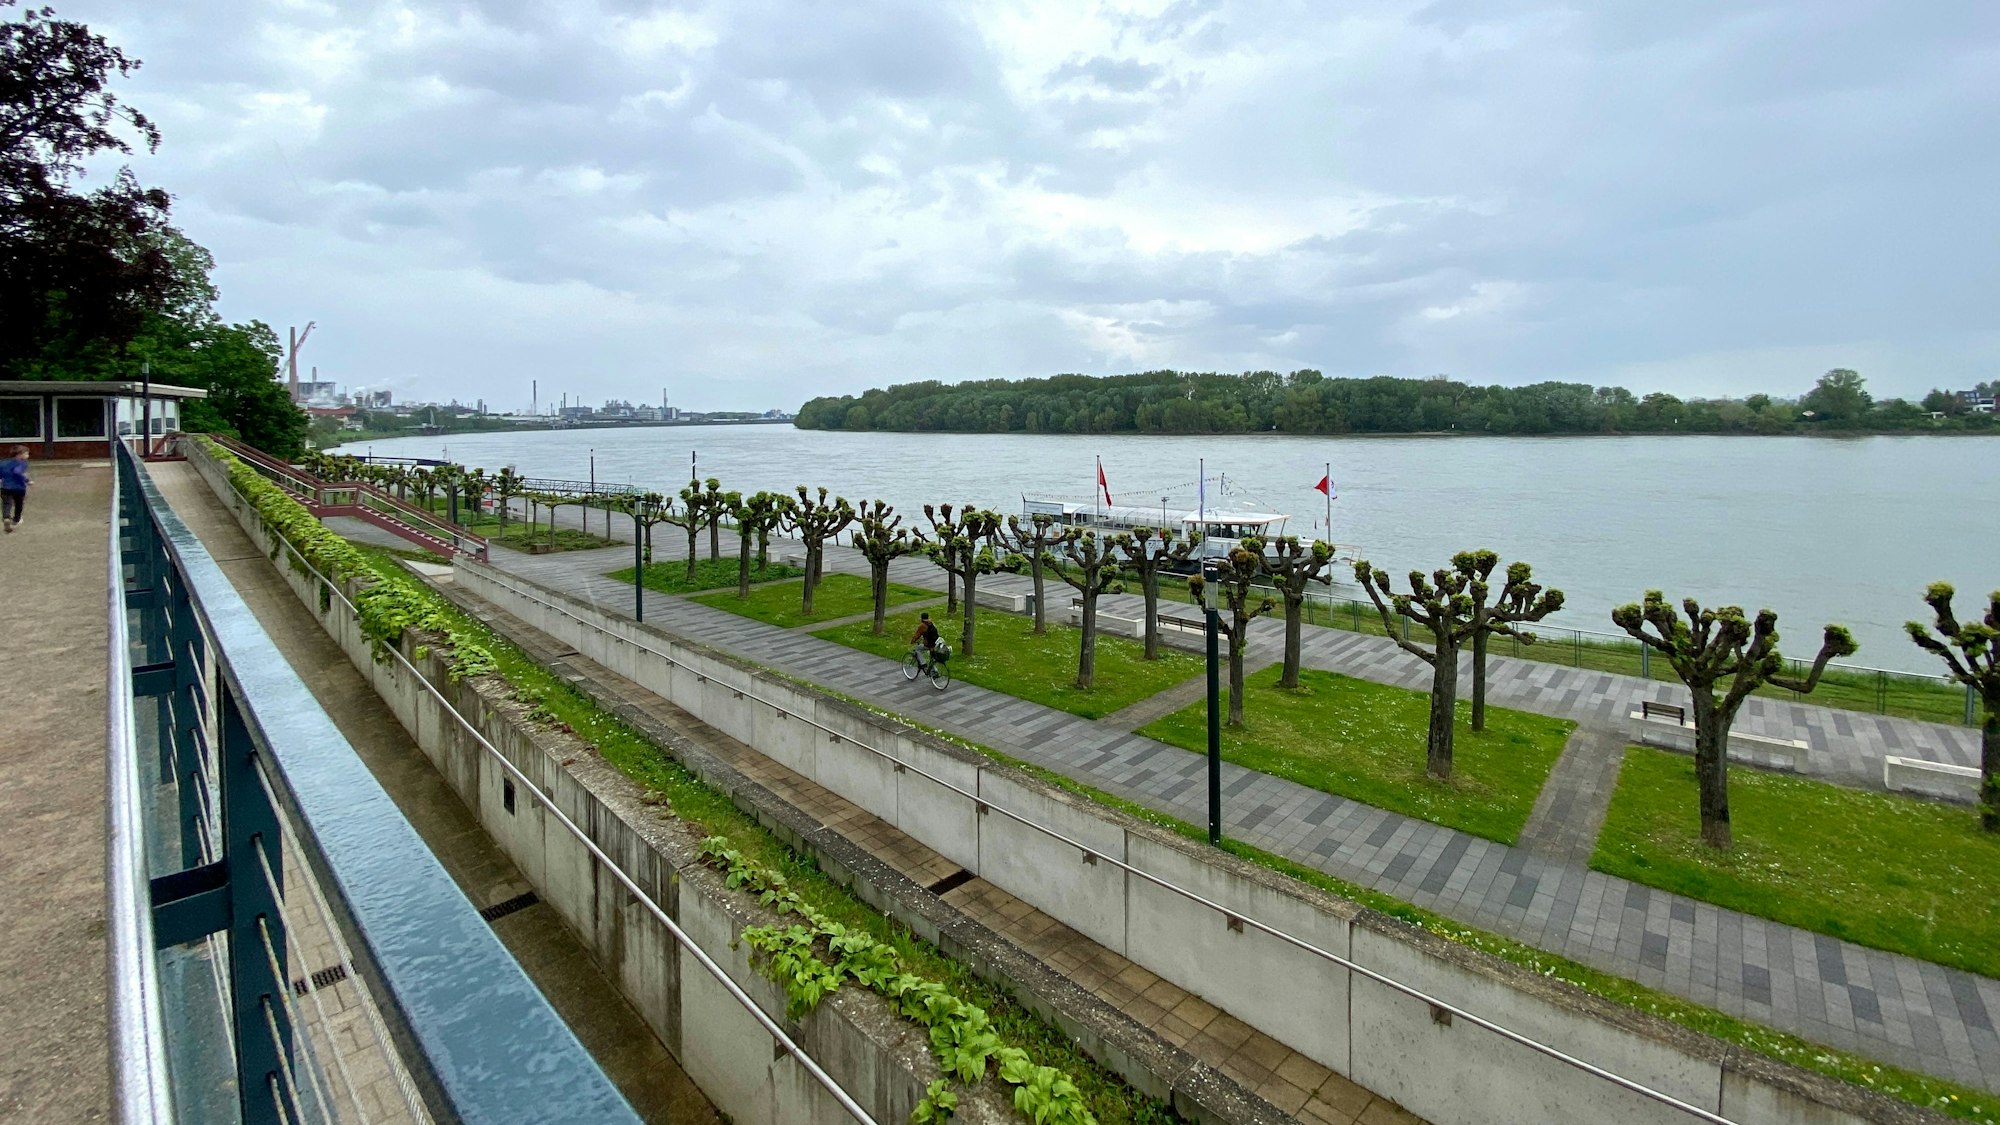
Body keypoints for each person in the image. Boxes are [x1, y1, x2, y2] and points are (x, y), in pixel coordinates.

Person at [0, 446, 28, 533]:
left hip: (5, 487)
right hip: (19, 488)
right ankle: (16, 519)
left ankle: (6, 517)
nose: (27, 456)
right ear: (19, 455)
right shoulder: (22, 463)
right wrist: (27, 480)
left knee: (6, 504)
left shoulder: (3, 463)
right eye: (26, 454)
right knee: (19, 504)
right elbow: (17, 472)